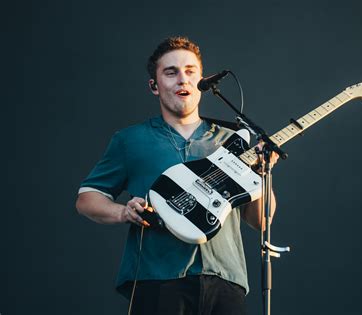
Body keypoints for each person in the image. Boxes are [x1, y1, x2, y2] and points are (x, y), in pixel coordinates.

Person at [76, 36, 277, 315]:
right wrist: (123, 212)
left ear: (203, 82)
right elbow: (87, 198)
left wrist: (261, 172)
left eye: (190, 71)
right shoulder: (130, 140)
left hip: (225, 280)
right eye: (171, 72)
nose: (183, 79)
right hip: (157, 279)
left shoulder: (233, 141)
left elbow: (260, 221)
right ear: (154, 86)